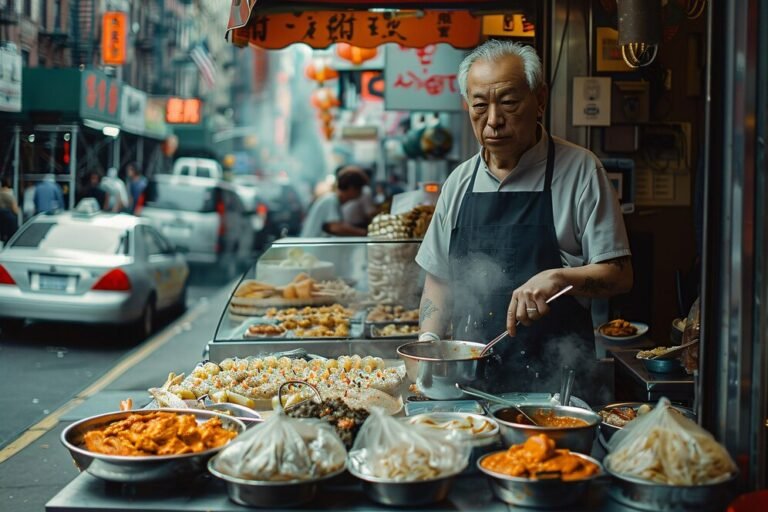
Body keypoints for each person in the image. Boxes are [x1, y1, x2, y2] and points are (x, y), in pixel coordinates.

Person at [415, 40, 633, 397]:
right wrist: (429, 340)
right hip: (471, 386)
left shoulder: (580, 170)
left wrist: (559, 277)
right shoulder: (458, 182)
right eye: (480, 106)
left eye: (509, 103)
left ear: (540, 100)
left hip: (558, 386)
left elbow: (620, 275)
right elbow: (438, 279)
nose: (494, 121)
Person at [300, 167, 369, 237]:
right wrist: (365, 233)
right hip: (311, 247)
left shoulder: (334, 201)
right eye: (360, 188)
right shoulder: (331, 200)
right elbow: (335, 227)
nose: (362, 192)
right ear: (352, 188)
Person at [0, 178, 19, 243]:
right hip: (9, 218)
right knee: (11, 237)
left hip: (1, 218)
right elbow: (15, 209)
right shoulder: (9, 194)